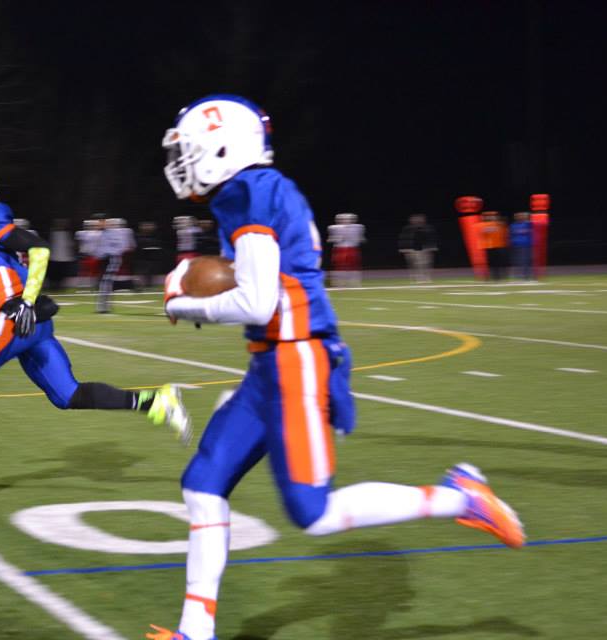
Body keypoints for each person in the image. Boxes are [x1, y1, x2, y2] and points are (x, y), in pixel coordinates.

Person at [149, 95, 524, 640]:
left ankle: (462, 496)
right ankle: (195, 630)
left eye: (189, 149)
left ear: (222, 148)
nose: (182, 162)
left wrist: (183, 303)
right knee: (203, 483)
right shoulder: (254, 190)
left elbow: (256, 302)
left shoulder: (248, 192)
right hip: (271, 362)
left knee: (313, 512)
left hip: (297, 358)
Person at [0, 163, 192, 495]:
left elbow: (39, 248)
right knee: (68, 395)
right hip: (30, 323)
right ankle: (157, 402)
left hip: (14, 319)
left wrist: (27, 301)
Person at [327, 212, 366, 287]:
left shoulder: (358, 227)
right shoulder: (333, 228)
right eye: (343, 219)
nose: (346, 220)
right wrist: (336, 238)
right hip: (340, 248)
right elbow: (330, 239)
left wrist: (358, 239)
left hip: (353, 248)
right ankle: (338, 282)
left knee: (354, 266)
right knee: (339, 266)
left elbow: (361, 238)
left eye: (348, 219)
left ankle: (355, 282)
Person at [397, 213, 437, 283]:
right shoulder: (408, 229)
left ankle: (426, 277)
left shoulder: (427, 228)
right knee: (415, 264)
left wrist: (432, 247)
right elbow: (404, 239)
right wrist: (403, 248)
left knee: (426, 263)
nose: (418, 221)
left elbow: (431, 238)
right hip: (413, 249)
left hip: (425, 249)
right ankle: (417, 277)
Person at [509, 211, 534, 281]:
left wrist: (527, 216)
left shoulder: (528, 224)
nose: (520, 217)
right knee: (517, 261)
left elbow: (533, 223)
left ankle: (526, 276)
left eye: (521, 216)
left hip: (526, 245)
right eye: (518, 216)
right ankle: (518, 275)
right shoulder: (513, 226)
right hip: (516, 245)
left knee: (526, 261)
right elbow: (510, 235)